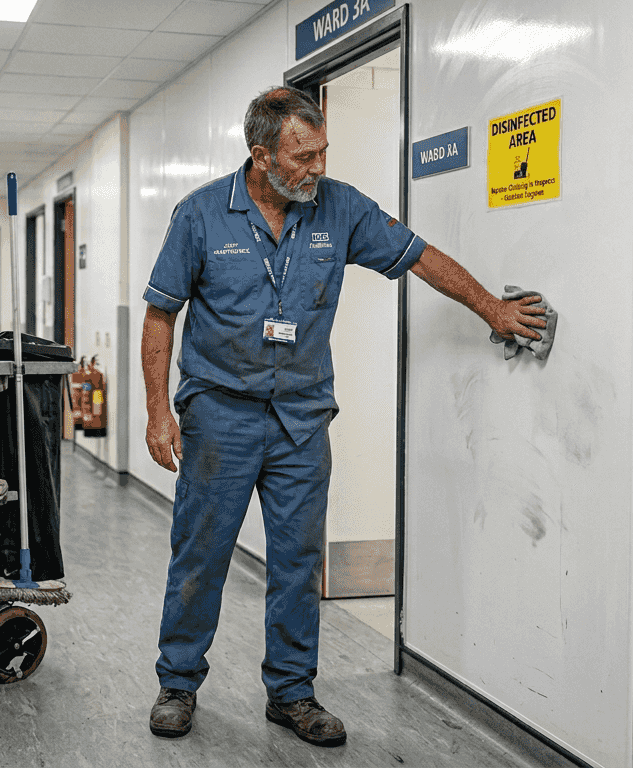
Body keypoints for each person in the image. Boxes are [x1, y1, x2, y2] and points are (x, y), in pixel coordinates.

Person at [141, 86, 546, 747]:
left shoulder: (342, 209)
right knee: (201, 554)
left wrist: (493, 311)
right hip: (220, 413)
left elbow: (421, 256)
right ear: (261, 155)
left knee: (299, 561)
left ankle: (292, 693)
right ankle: (178, 682)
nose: (318, 167)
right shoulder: (201, 215)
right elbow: (161, 315)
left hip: (301, 417)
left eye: (323, 151)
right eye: (304, 156)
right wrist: (160, 410)